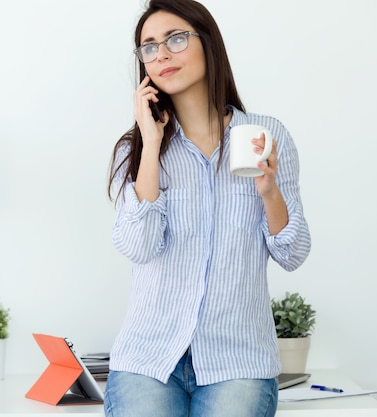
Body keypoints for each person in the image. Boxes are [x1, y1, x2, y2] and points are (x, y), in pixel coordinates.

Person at [104, 0, 311, 416]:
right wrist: (150, 141)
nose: (161, 54)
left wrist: (269, 191)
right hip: (149, 358)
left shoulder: (265, 135)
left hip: (238, 359)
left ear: (209, 44)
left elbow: (293, 252)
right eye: (148, 47)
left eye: (175, 39)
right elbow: (138, 246)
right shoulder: (139, 147)